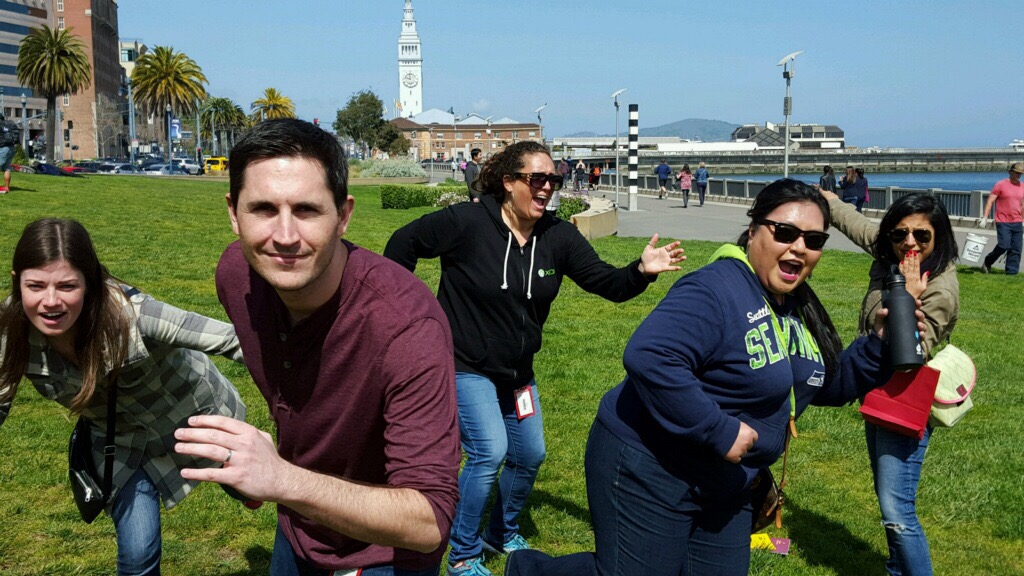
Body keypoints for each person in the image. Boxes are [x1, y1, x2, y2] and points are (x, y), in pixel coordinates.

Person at [506, 179, 917, 576]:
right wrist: (718, 430)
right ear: (753, 230)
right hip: (650, 464)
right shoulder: (715, 288)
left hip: (728, 481)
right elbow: (650, 356)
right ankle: (528, 570)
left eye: (814, 240)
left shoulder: (795, 307)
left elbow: (821, 384)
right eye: (786, 232)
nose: (799, 248)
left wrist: (879, 343)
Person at [173, 119, 460, 575]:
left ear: (344, 214)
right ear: (233, 212)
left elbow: (429, 520)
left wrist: (281, 478)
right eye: (263, 209)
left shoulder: (407, 326)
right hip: (297, 525)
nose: (284, 236)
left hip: (385, 554)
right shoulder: (237, 276)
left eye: (306, 210)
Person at [384, 140, 685, 576]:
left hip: (518, 372)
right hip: (464, 363)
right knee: (489, 452)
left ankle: (501, 532)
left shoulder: (557, 236)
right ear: (509, 182)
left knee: (530, 454)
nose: (547, 187)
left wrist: (640, 271)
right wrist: (404, 312)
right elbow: (403, 242)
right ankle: (463, 553)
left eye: (554, 180)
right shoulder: (467, 222)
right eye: (537, 179)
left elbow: (607, 283)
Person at [0, 218, 247, 575]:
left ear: (90, 283)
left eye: (67, 285)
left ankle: (245, 490)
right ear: (16, 280)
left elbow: (233, 340)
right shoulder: (12, 329)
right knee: (137, 553)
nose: (49, 302)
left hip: (196, 420)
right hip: (120, 442)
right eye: (34, 285)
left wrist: (296, 398)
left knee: (251, 490)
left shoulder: (137, 315)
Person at [821, 189, 959, 576]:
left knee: (898, 510)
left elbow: (906, 357)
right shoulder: (892, 254)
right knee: (889, 501)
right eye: (900, 234)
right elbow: (860, 226)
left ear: (939, 237)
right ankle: (898, 569)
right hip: (878, 394)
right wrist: (826, 200)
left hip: (904, 399)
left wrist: (906, 299)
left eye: (921, 235)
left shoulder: (939, 290)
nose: (909, 243)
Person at [979, 161, 1024, 275]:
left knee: (1016, 249)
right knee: (1003, 245)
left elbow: (1022, 205)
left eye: (1020, 173)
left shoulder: (1022, 187)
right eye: (1016, 173)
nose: (1018, 175)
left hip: (1017, 221)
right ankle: (988, 261)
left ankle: (1011, 273)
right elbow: (990, 201)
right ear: (1010, 172)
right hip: (1003, 221)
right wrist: (985, 217)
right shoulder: (1000, 184)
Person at [0, 111, 20, 193]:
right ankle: (7, 187)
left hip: (3, 148)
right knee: (7, 168)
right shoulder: (10, 124)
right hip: (11, 148)